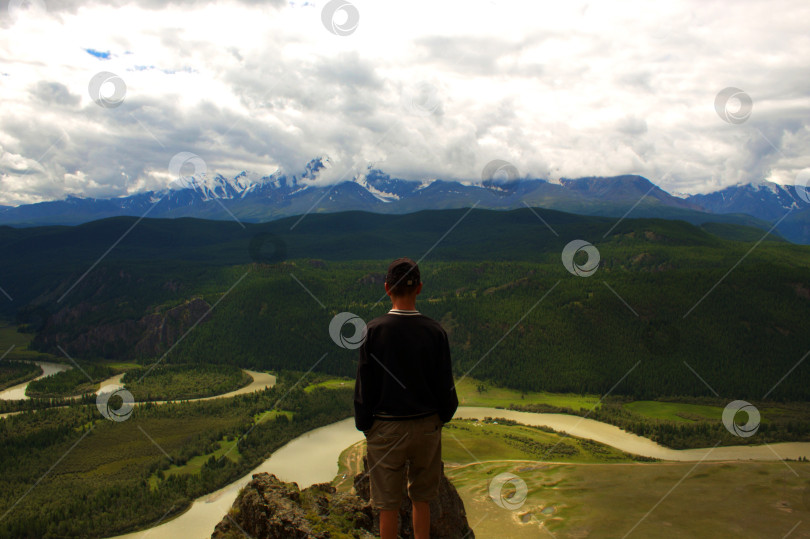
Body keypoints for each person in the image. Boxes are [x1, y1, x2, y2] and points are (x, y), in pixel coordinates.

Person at [354, 257, 459, 539]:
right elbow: (445, 386)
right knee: (421, 499)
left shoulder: (374, 330)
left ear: (387, 288)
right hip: (426, 426)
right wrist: (442, 417)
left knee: (387, 505)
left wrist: (367, 426)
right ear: (420, 288)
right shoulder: (435, 331)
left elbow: (365, 386)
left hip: (386, 428)